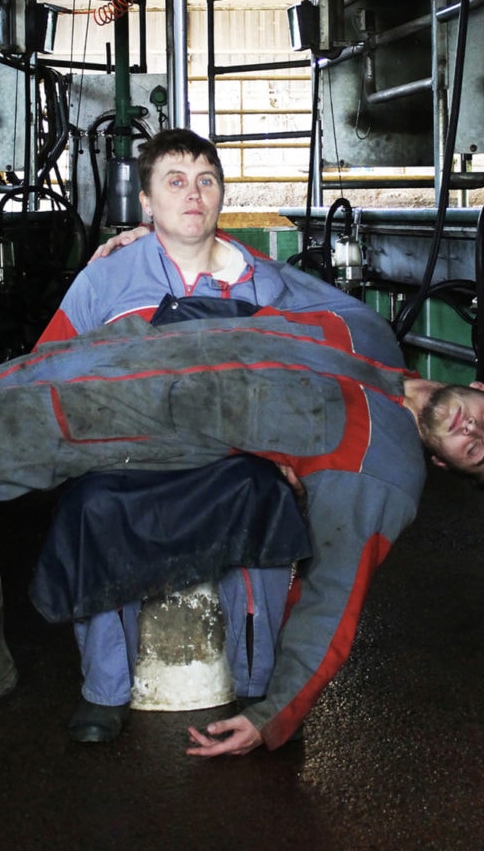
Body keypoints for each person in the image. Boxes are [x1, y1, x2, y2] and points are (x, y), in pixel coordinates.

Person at [0, 147, 484, 753]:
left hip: (130, 420)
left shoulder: (386, 467)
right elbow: (255, 270)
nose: (475, 431)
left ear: (449, 466)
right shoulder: (368, 333)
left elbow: (338, 597)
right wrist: (150, 237)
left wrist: (273, 719)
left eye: (480, 452)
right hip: (107, 361)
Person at [29, 127, 316, 744]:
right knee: (90, 507)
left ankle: (257, 680)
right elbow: (47, 364)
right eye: (176, 181)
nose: (194, 194)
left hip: (226, 458)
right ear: (147, 203)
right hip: (128, 456)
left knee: (268, 496)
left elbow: (291, 384)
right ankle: (104, 691)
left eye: (207, 181)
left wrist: (285, 455)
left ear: (222, 197)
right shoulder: (106, 278)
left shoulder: (262, 283)